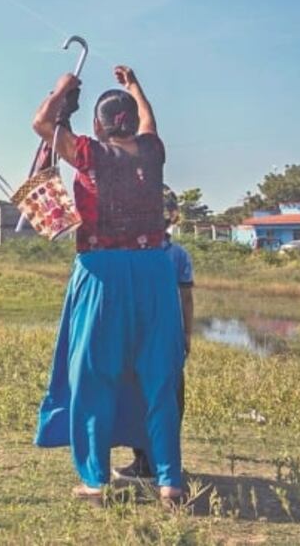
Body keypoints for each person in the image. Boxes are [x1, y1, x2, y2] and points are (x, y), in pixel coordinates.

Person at [33, 66, 185, 505]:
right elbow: (149, 120)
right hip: (155, 271)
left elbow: (41, 124)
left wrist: (61, 88)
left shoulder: (88, 153)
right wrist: (135, 84)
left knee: (93, 375)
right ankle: (169, 482)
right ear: (130, 121)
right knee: (160, 376)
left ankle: (95, 482)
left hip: (101, 272)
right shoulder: (152, 152)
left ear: (98, 125)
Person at [114, 194, 194, 482]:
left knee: (154, 395)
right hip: (153, 334)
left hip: (154, 334)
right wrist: (186, 333)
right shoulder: (159, 253)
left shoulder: (170, 255)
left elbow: (185, 298)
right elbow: (185, 299)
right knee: (153, 396)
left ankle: (154, 462)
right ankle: (150, 460)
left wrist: (185, 333)